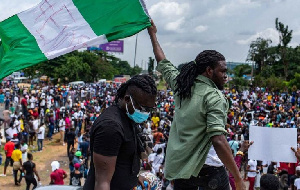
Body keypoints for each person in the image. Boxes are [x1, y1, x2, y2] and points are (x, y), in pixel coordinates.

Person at [148, 21, 245, 190]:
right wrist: (237, 178)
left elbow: (162, 61)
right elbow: (218, 139)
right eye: (222, 71)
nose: (226, 76)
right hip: (210, 172)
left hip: (182, 171)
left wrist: (153, 34)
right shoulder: (214, 97)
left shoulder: (181, 85)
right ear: (209, 71)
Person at [84, 74, 157, 190]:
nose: (147, 113)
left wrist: (133, 179)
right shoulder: (110, 127)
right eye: (144, 109)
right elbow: (102, 182)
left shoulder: (128, 117)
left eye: (150, 109)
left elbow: (121, 161)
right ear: (128, 99)